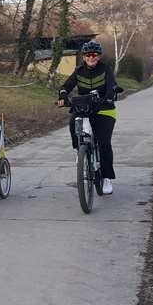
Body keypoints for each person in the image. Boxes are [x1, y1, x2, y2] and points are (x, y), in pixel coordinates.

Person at [57, 40, 117, 195]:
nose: (91, 57)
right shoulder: (79, 71)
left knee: (104, 142)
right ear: (83, 57)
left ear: (99, 56)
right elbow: (65, 86)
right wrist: (63, 95)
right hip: (84, 108)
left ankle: (106, 178)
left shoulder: (106, 69)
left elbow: (112, 86)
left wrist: (111, 95)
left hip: (104, 109)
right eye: (88, 55)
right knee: (72, 122)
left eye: (94, 55)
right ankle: (79, 150)